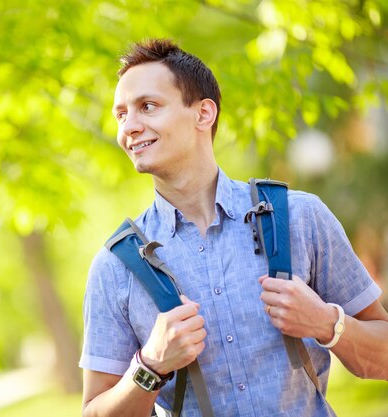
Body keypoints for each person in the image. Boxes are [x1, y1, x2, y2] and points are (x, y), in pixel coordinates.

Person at [79, 38, 388, 417]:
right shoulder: (116, 268)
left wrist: (328, 323)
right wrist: (150, 366)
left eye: (147, 107)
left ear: (203, 114)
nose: (130, 127)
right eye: (121, 115)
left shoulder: (300, 217)